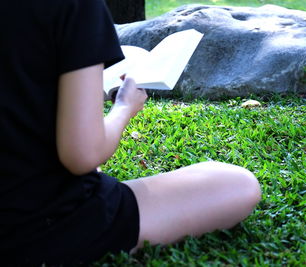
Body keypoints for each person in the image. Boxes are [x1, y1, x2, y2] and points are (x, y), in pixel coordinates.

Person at [0, 0, 261, 265]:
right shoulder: (75, 7)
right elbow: (82, 155)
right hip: (38, 224)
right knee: (237, 183)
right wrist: (124, 108)